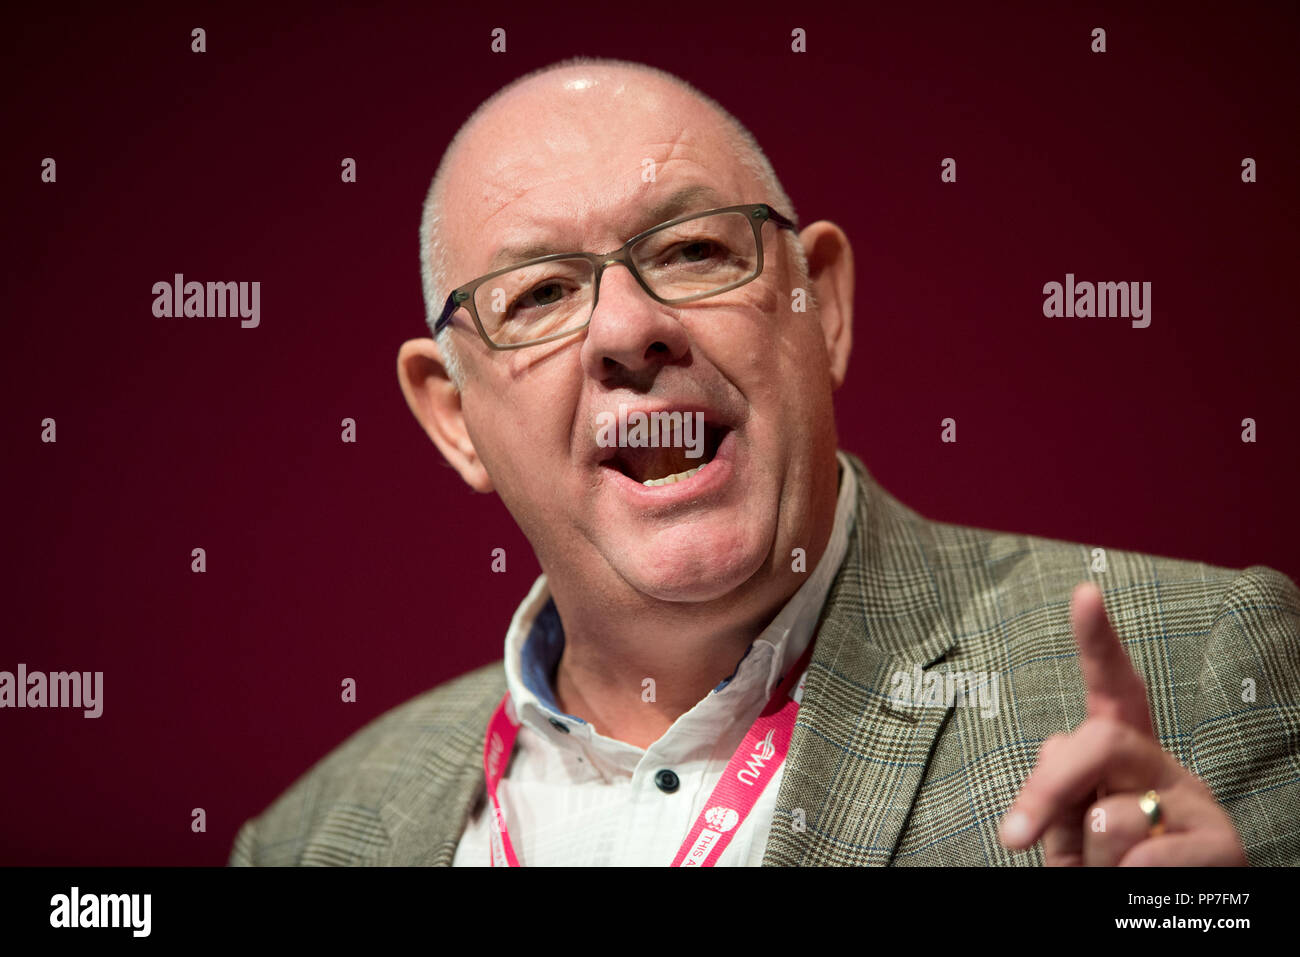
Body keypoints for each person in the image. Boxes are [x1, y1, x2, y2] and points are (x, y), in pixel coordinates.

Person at [229, 55, 1300, 867]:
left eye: (694, 249)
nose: (627, 329)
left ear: (819, 306)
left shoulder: (1205, 675)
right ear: (451, 414)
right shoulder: (307, 837)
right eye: (542, 294)